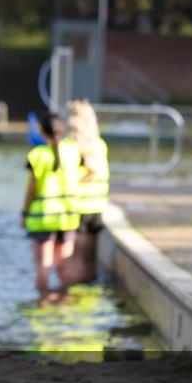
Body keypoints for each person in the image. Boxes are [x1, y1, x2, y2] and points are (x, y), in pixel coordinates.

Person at [21, 113, 80, 305]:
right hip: (68, 216)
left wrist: (24, 212)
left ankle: (44, 301)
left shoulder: (38, 155)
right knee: (64, 264)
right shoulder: (73, 151)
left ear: (41, 131)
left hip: (42, 217)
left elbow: (32, 188)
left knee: (43, 265)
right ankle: (66, 299)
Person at [60, 99, 109, 286]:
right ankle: (89, 296)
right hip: (96, 207)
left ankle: (72, 297)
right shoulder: (99, 145)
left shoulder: (69, 146)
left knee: (74, 259)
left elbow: (70, 177)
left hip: (77, 208)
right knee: (89, 259)